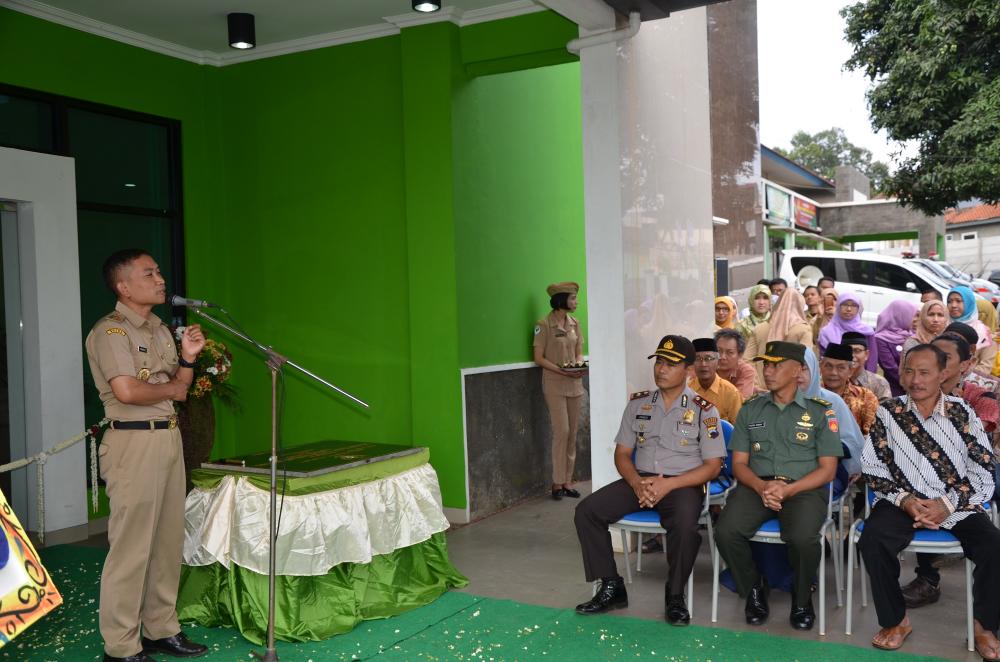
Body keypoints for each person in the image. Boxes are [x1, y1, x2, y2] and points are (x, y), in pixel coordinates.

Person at [86, 249, 208, 662]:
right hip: (132, 443)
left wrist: (188, 358)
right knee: (132, 548)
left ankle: (161, 629)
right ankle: (121, 645)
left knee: (167, 541)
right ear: (123, 286)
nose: (160, 279)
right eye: (149, 273)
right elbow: (127, 391)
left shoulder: (159, 330)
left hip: (167, 438)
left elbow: (180, 386)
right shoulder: (111, 332)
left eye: (158, 271)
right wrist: (172, 389)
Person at [858, 344, 1000, 659]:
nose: (915, 380)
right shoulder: (888, 411)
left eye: (924, 372)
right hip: (901, 500)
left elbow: (983, 468)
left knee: (993, 545)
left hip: (954, 503)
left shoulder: (962, 413)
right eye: (909, 371)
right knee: (873, 541)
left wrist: (946, 504)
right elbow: (872, 466)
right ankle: (895, 621)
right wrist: (905, 500)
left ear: (942, 374)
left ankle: (984, 627)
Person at [573, 336, 725, 625]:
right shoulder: (638, 404)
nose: (661, 369)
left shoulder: (704, 410)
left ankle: (675, 595)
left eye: (670, 364)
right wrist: (636, 483)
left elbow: (713, 466)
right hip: (640, 480)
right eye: (659, 362)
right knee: (587, 511)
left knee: (684, 526)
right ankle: (611, 585)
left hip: (682, 484)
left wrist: (668, 485)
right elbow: (622, 454)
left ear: (689, 370)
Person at [714, 341, 842, 631]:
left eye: (776, 365)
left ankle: (801, 598)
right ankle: (754, 589)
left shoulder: (821, 412)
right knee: (726, 531)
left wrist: (787, 490)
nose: (768, 371)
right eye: (766, 365)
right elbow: (739, 464)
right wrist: (762, 487)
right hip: (756, 487)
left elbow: (828, 470)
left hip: (804, 489)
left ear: (798, 370)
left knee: (803, 538)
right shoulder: (751, 409)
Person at [901, 331, 1000, 609]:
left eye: (944, 358)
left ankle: (986, 612)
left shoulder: (982, 393)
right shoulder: (914, 396)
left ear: (965, 365)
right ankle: (927, 578)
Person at [533, 281, 586, 500]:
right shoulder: (543, 325)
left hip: (574, 384)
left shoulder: (575, 323)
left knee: (572, 433)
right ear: (561, 299)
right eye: (572, 298)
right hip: (554, 385)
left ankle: (567, 481)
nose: (576, 302)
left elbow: (579, 351)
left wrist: (578, 364)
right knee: (561, 431)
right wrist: (562, 370)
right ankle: (556, 483)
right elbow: (538, 358)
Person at [745, 290, 813, 391]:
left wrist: (756, 385)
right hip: (789, 391)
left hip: (761, 390)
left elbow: (747, 360)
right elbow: (806, 362)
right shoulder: (803, 329)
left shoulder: (760, 328)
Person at [820, 343, 879, 436]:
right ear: (820, 367)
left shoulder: (865, 397)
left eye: (841, 368)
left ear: (850, 371)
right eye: (828, 366)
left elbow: (873, 435)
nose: (833, 372)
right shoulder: (810, 394)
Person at [688, 337, 743, 424]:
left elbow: (740, 428)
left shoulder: (731, 393)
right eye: (697, 359)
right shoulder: (686, 391)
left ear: (717, 362)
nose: (703, 364)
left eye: (708, 358)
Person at [818, 292, 877, 371]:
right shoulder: (826, 332)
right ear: (838, 306)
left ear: (858, 309)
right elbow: (824, 359)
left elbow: (872, 358)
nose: (849, 309)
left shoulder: (867, 331)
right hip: (835, 374)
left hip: (861, 374)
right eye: (845, 304)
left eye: (853, 305)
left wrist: (868, 376)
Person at [947, 286, 997, 374]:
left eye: (958, 301)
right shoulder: (942, 325)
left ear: (969, 303)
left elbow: (985, 367)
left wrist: (956, 374)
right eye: (949, 301)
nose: (953, 305)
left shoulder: (983, 333)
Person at [874, 300, 919, 396]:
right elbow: (890, 367)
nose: (915, 319)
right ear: (900, 315)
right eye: (913, 315)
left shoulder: (913, 335)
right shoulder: (880, 339)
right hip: (895, 390)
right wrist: (909, 383)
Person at [842, 331, 892, 401]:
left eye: (857, 351)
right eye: (847, 351)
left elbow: (885, 407)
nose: (852, 355)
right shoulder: (834, 380)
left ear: (866, 355)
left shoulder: (879, 383)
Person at [715, 328, 758, 400]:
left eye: (730, 352)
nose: (723, 357)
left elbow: (740, 401)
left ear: (740, 355)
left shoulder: (746, 371)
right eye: (719, 351)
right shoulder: (705, 365)